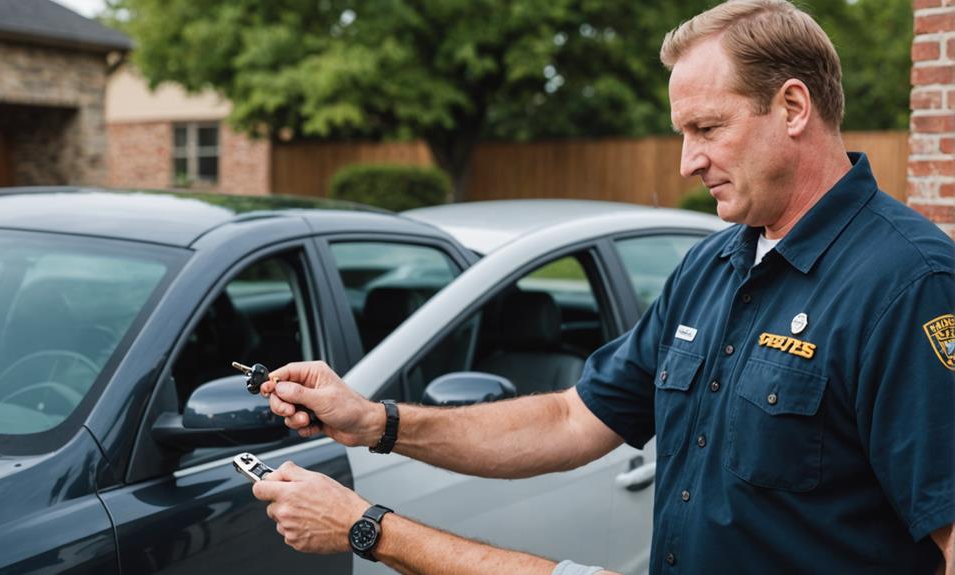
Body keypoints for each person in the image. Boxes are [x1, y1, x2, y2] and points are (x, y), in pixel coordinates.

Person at [251, 1, 955, 573]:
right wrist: (376, 423)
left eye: (707, 127)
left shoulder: (911, 284)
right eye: (683, 132)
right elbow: (570, 418)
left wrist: (367, 527)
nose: (687, 161)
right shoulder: (710, 269)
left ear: (794, 106)